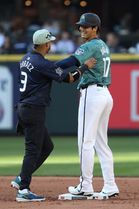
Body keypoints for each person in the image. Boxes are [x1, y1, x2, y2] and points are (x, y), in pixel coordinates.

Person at [10, 28, 96, 202]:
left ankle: (21, 178)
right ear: (45, 44)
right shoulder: (43, 64)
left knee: (47, 147)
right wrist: (85, 67)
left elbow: (47, 69)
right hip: (33, 109)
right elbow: (70, 78)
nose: (51, 45)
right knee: (32, 150)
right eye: (50, 42)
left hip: (24, 107)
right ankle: (24, 189)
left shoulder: (25, 58)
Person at [56, 13, 119, 199]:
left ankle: (86, 186)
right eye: (81, 26)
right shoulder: (102, 45)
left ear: (95, 28)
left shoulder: (90, 46)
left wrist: (52, 66)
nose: (82, 29)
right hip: (105, 94)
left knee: (85, 142)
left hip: (92, 94)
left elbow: (71, 62)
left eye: (86, 26)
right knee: (101, 143)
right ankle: (110, 185)